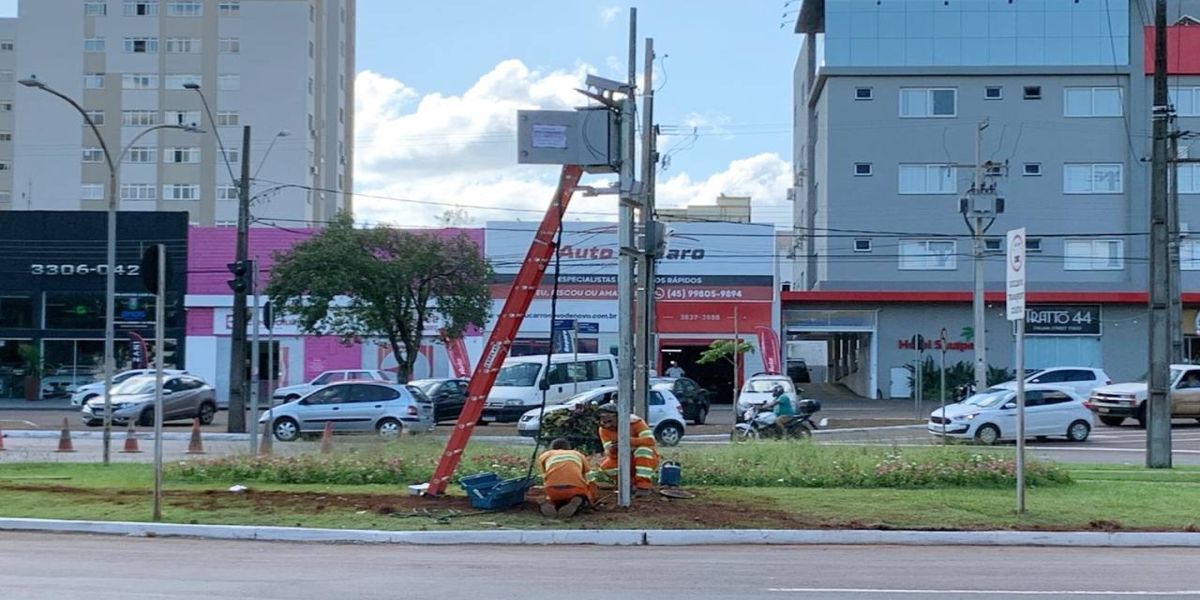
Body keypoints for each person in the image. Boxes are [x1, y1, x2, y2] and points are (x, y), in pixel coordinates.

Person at [595, 403, 659, 496]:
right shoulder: (603, 430)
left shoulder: (636, 422)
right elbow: (608, 452)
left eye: (610, 421)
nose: (608, 425)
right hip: (623, 458)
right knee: (606, 466)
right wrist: (613, 449)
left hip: (645, 459)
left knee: (643, 451)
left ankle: (643, 485)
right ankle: (629, 484)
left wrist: (627, 441)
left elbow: (650, 441)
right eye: (604, 422)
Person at [536, 438, 597, 519]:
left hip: (552, 489)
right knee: (581, 497)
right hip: (574, 489)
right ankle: (576, 501)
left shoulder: (546, 455)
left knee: (554, 498)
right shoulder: (577, 454)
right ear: (569, 448)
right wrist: (591, 498)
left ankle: (549, 502)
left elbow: (545, 475)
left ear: (552, 448)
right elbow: (589, 477)